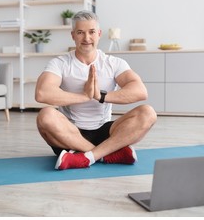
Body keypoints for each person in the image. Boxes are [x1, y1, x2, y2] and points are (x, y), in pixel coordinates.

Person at [35, 10, 157, 170]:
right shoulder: (60, 63)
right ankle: (106, 154)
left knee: (148, 113)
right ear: (73, 35)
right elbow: (42, 93)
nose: (86, 38)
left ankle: (84, 157)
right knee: (45, 116)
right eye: (80, 32)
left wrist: (101, 96)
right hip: (70, 133)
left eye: (91, 32)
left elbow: (140, 91)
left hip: (106, 131)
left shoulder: (113, 63)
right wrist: (84, 96)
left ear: (99, 34)